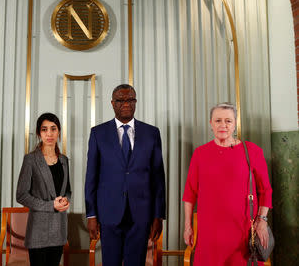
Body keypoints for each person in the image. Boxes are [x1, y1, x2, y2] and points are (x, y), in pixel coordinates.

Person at [84, 84, 166, 266]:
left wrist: (158, 215)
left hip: (141, 214)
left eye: (130, 99)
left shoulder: (152, 133)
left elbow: (158, 178)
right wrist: (91, 215)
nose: (126, 104)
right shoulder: (98, 133)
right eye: (121, 100)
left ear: (135, 102)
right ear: (112, 104)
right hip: (109, 212)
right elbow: (91, 176)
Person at [183, 102, 272, 265]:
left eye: (228, 121)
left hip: (243, 231)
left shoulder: (252, 151)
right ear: (211, 123)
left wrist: (262, 221)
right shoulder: (200, 153)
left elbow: (265, 190)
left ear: (235, 124)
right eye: (218, 121)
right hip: (209, 234)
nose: (223, 125)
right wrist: (188, 226)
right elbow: (190, 192)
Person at [16, 113, 71, 266]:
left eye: (53, 129)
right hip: (38, 230)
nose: (49, 134)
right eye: (44, 129)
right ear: (39, 133)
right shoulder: (31, 159)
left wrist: (66, 200)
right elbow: (21, 195)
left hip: (59, 228)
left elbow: (67, 190)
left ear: (59, 131)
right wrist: (51, 205)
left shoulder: (64, 160)